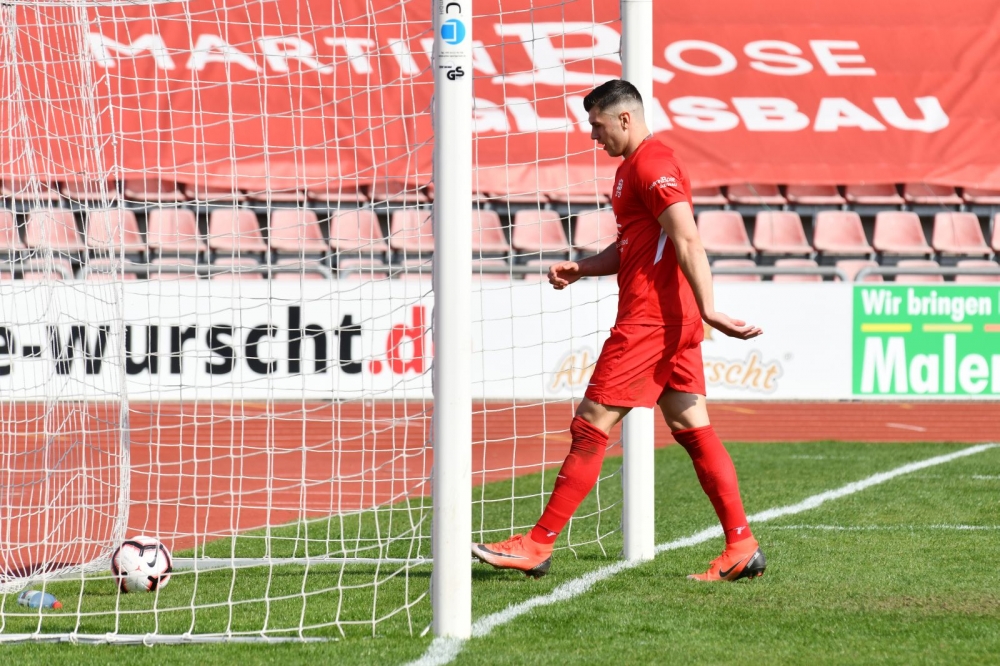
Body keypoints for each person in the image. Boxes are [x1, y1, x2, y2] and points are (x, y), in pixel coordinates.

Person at [471, 79, 766, 582]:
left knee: (590, 424)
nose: (593, 135)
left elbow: (687, 238)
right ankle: (741, 545)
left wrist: (710, 309)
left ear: (625, 119)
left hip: (652, 320)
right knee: (693, 429)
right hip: (668, 318)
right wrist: (583, 268)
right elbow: (633, 244)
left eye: (598, 124)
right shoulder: (630, 169)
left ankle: (537, 545)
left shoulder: (653, 164)